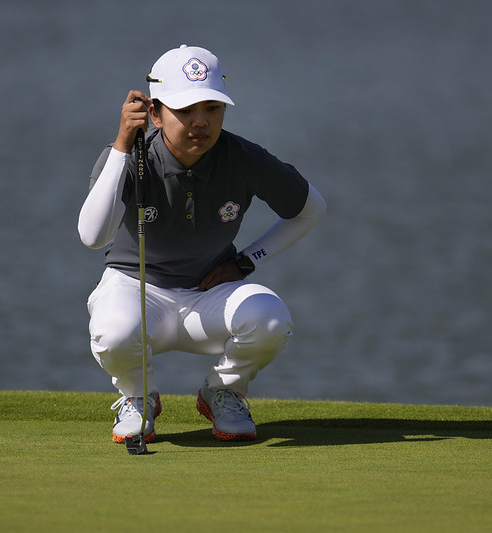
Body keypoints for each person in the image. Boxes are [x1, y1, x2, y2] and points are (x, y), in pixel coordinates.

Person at [77, 45, 325, 443]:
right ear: (155, 113)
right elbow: (92, 238)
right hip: (136, 289)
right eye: (185, 110)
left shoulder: (243, 158)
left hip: (210, 294)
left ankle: (223, 391)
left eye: (212, 108)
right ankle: (138, 397)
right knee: (113, 330)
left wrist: (246, 262)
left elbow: (311, 209)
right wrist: (123, 145)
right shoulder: (125, 156)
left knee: (270, 318)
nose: (201, 122)